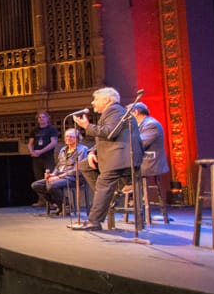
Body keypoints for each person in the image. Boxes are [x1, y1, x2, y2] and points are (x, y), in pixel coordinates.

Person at [71, 87, 143, 231]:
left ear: (107, 99)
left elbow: (110, 133)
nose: (93, 103)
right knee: (85, 165)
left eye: (96, 99)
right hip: (114, 157)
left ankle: (94, 221)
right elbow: (109, 134)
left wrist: (86, 126)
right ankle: (108, 197)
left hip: (119, 159)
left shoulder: (114, 110)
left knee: (103, 184)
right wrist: (92, 152)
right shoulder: (114, 112)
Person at [31, 128, 89, 215]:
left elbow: (77, 169)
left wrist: (58, 177)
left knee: (51, 185)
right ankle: (62, 204)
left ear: (77, 138)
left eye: (71, 137)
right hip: (61, 177)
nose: (68, 138)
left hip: (74, 178)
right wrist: (52, 175)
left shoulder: (82, 149)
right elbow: (58, 166)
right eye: (66, 136)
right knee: (36, 185)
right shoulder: (63, 150)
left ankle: (66, 206)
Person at [131, 102, 171, 221]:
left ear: (136, 112)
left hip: (150, 162)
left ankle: (127, 185)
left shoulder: (151, 124)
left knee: (119, 167)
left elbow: (140, 143)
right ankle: (127, 187)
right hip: (143, 159)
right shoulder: (141, 124)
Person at [28, 111, 59, 207]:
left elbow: (53, 143)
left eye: (43, 117)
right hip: (37, 158)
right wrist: (31, 151)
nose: (41, 119)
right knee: (38, 179)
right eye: (39, 118)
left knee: (50, 178)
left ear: (47, 118)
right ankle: (42, 200)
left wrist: (41, 151)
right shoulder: (35, 130)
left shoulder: (52, 129)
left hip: (47, 157)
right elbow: (30, 143)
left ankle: (53, 201)